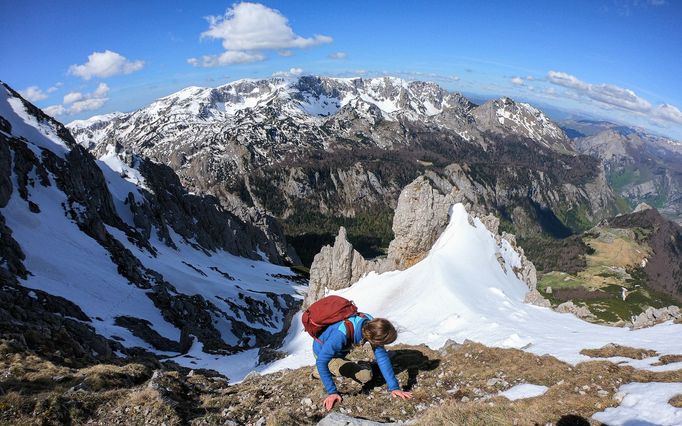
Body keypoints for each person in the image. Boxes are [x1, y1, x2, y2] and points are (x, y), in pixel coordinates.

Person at [312, 313, 413, 410]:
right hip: (322, 354)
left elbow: (382, 357)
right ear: (374, 340)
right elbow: (321, 361)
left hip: (338, 352)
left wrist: (394, 387)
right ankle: (318, 372)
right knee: (365, 376)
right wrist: (332, 392)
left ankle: (336, 365)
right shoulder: (340, 335)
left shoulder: (371, 323)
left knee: (364, 370)